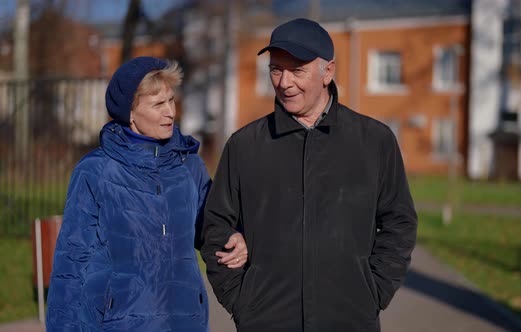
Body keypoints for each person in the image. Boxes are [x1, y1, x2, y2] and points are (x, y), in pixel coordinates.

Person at [201, 18, 418, 332]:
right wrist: (242, 301)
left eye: (297, 71)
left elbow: (400, 222)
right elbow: (215, 226)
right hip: (265, 321)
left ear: (327, 72)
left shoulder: (374, 141)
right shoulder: (244, 146)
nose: (284, 82)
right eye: (276, 69)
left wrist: (373, 293)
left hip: (350, 320)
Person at [46, 56, 248, 331]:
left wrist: (232, 234)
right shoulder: (96, 171)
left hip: (185, 320)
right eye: (157, 104)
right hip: (119, 323)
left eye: (171, 100)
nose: (170, 112)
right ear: (130, 113)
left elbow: (211, 226)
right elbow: (71, 261)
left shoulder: (189, 165)